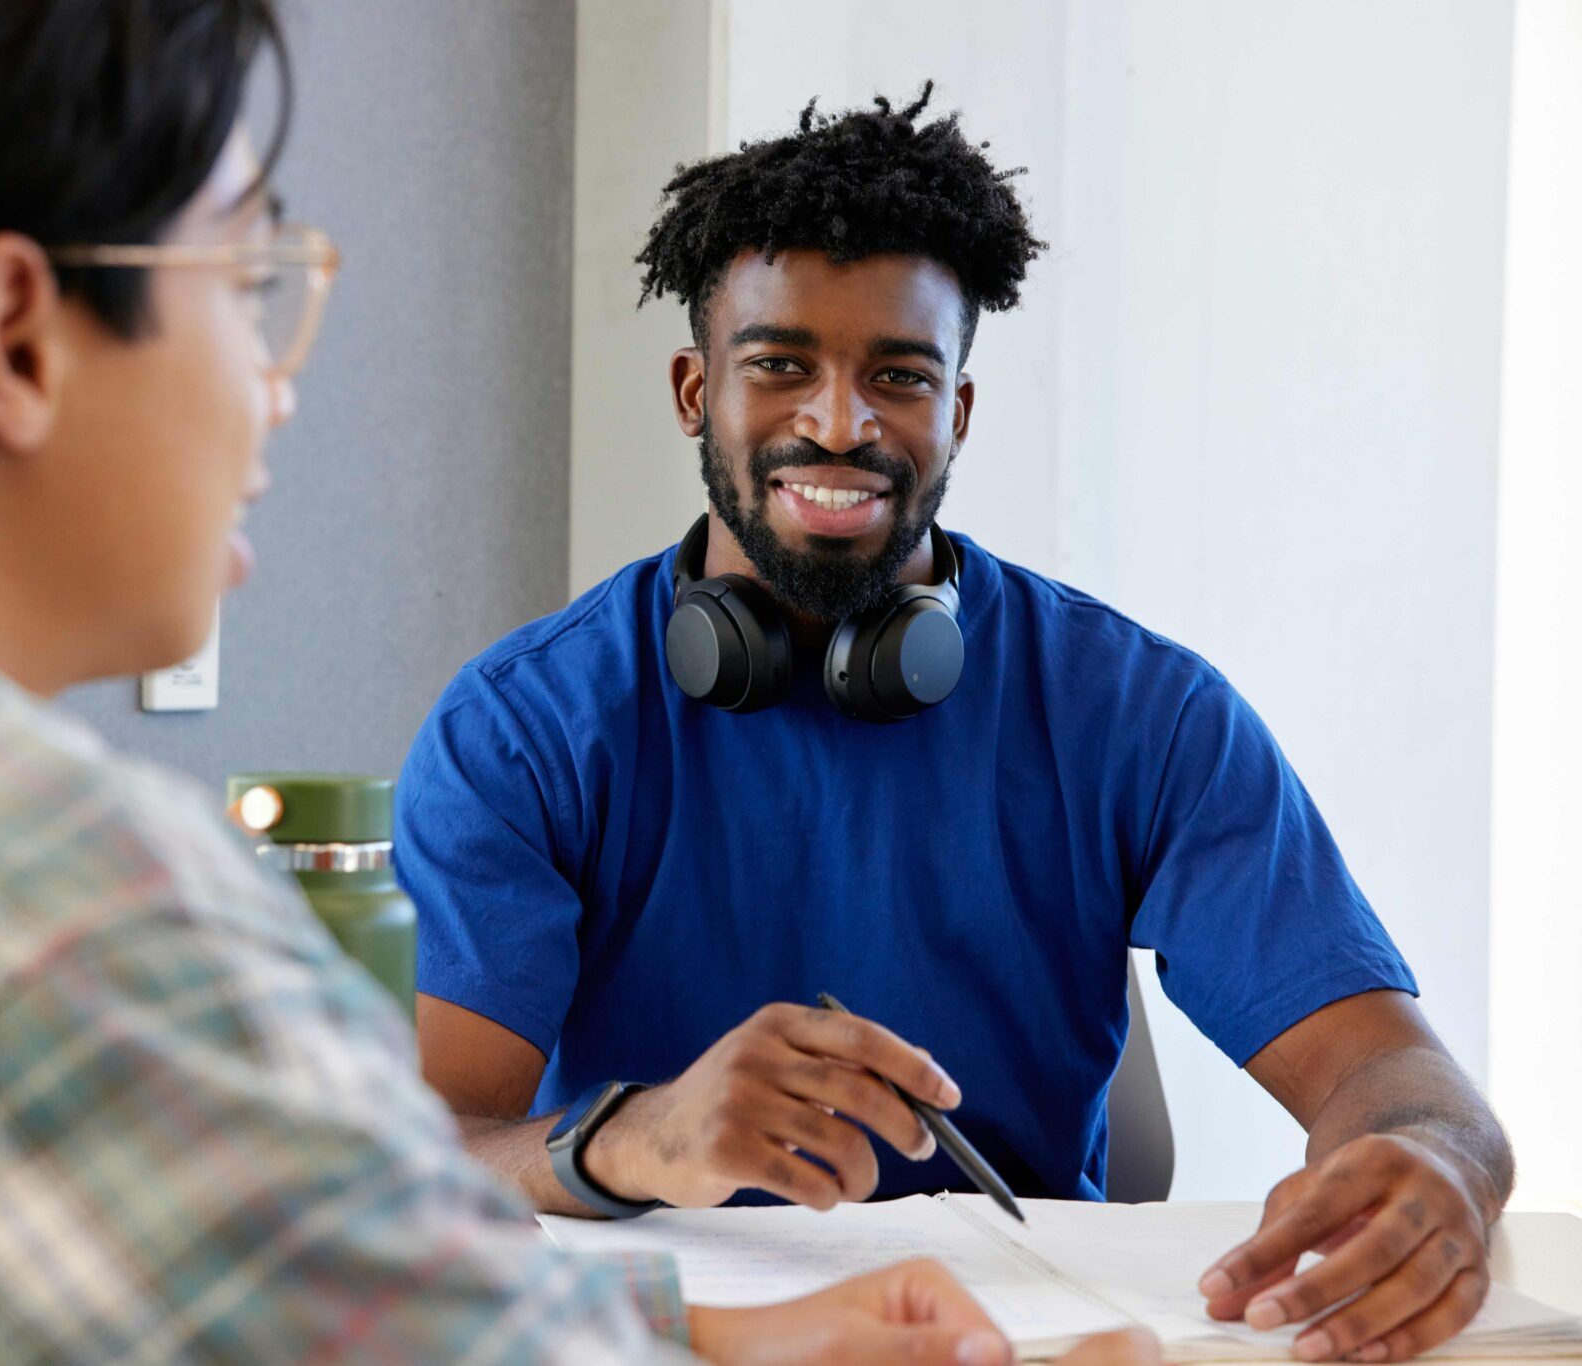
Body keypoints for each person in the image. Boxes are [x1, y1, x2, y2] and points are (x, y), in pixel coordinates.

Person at [0, 5, 1164, 1361]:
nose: (274, 385)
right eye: (248, 279)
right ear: (18, 336)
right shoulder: (41, 915)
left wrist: (708, 1330)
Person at [401, 88, 1515, 1365]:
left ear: (959, 413)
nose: (839, 422)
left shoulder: (1137, 710)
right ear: (692, 390)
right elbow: (412, 1162)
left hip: (1018, 1343)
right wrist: (635, 1136)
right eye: (777, 366)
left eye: (898, 375)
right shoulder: (522, 728)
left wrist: (1431, 1162)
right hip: (670, 1340)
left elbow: (1393, 1073)